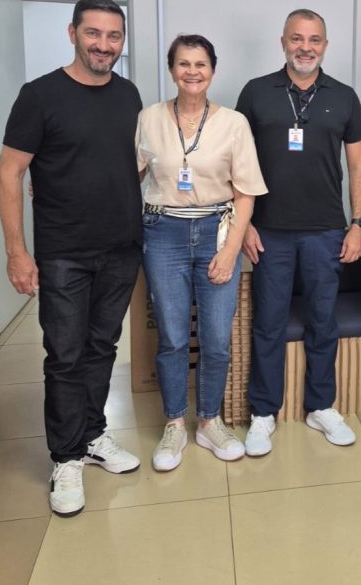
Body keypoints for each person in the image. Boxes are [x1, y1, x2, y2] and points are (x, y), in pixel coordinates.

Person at [0, 0, 143, 517]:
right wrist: (17, 251)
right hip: (64, 253)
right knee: (65, 356)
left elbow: (124, 161)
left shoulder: (128, 94)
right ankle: (65, 457)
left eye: (113, 36)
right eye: (94, 33)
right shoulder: (39, 96)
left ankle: (93, 434)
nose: (104, 44)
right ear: (73, 33)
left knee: (102, 347)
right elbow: (10, 172)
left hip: (122, 248)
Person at [235, 8, 361, 456]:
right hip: (268, 231)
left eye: (314, 40)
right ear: (283, 42)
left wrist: (358, 224)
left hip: (326, 231)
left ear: (325, 46)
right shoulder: (256, 92)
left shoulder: (344, 96)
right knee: (268, 323)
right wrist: (244, 224)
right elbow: (237, 162)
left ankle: (321, 406)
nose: (305, 47)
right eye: (297, 38)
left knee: (322, 322)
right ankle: (263, 412)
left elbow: (358, 167)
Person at [136, 34, 267, 469]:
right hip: (163, 233)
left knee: (215, 338)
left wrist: (230, 251)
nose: (192, 71)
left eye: (200, 64)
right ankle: (175, 423)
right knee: (173, 337)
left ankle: (209, 421)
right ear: (172, 69)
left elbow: (246, 193)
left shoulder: (233, 123)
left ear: (212, 70)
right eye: (183, 63)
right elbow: (125, 175)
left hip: (217, 230)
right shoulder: (149, 118)